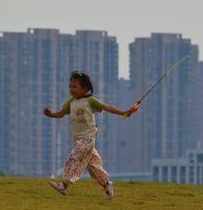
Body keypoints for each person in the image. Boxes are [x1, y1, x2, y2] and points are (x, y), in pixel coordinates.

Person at [43, 71, 138, 199]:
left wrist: (123, 112)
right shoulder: (70, 103)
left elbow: (107, 107)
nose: (71, 89)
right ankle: (107, 184)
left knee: (74, 157)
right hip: (78, 139)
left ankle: (64, 185)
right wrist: (51, 114)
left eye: (75, 86)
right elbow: (60, 113)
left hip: (88, 138)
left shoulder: (90, 101)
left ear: (85, 88)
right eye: (70, 86)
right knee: (93, 167)